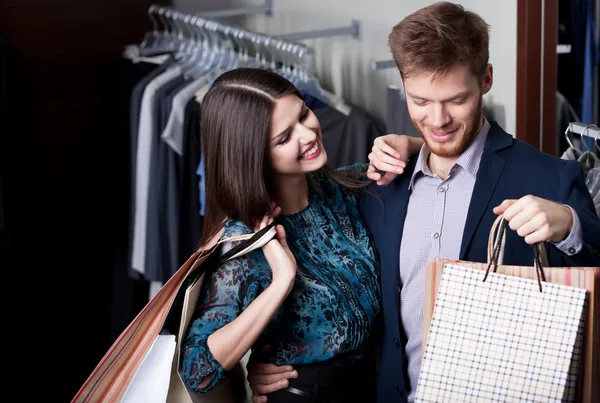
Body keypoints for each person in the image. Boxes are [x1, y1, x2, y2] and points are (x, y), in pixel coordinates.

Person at [247, 2, 600, 403]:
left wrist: (570, 225)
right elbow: (342, 294)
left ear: (485, 79)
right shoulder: (378, 185)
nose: (438, 120)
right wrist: (275, 364)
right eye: (420, 101)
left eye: (456, 100)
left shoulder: (550, 177)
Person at [179, 67, 423, 403]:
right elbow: (197, 368)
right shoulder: (248, 240)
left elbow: (444, 162)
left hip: (372, 387)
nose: (307, 135)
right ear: (254, 157)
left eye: (304, 115)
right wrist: (282, 281)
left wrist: (409, 143)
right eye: (284, 138)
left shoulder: (344, 191)